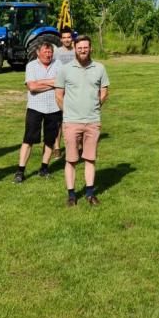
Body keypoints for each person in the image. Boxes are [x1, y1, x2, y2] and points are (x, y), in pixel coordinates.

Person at [55, 35, 109, 206]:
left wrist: (94, 107)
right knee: (71, 159)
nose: (83, 50)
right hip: (71, 122)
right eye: (80, 48)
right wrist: (68, 113)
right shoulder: (65, 69)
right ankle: (71, 195)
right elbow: (58, 95)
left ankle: (90, 193)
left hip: (93, 121)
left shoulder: (100, 68)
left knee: (90, 159)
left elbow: (104, 92)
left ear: (90, 48)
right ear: (75, 48)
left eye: (85, 47)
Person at [14, 42, 62, 183]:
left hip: (54, 108)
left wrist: (41, 82)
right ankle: (20, 171)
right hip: (35, 107)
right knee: (28, 139)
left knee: (50, 140)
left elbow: (62, 82)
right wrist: (52, 83)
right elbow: (32, 87)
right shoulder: (31, 66)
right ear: (37, 53)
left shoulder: (58, 64)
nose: (48, 54)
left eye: (50, 52)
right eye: (45, 52)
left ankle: (44, 168)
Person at [52, 28, 76, 159]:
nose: (67, 39)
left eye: (69, 37)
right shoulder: (56, 52)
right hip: (61, 90)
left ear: (72, 38)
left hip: (75, 91)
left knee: (74, 119)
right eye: (64, 37)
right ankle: (56, 147)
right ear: (61, 39)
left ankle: (75, 145)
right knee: (58, 120)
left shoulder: (77, 51)